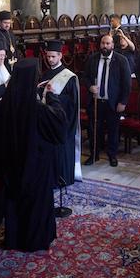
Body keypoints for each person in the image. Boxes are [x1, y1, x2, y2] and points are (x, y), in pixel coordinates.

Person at [0, 59, 69, 252]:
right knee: (36, 202)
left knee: (15, 200)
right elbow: (59, 125)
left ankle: (15, 239)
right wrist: (52, 97)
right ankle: (34, 240)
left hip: (12, 164)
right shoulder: (38, 109)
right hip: (36, 166)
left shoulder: (6, 105)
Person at [81, 34, 131, 167]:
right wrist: (90, 86)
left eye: (108, 44)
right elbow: (85, 77)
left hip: (113, 102)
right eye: (103, 43)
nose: (105, 46)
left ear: (112, 45)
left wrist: (123, 102)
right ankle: (94, 154)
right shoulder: (92, 59)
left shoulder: (121, 60)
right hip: (96, 102)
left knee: (113, 130)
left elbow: (127, 84)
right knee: (94, 130)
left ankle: (112, 155)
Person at [40, 40, 81, 186]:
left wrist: (53, 96)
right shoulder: (44, 74)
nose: (50, 60)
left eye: (53, 57)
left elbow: (72, 102)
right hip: (47, 121)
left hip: (63, 121)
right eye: (48, 57)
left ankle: (64, 178)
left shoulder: (69, 77)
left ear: (60, 56)